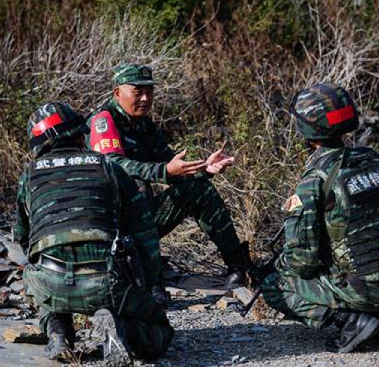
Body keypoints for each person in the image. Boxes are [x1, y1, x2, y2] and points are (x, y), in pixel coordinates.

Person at [261, 83, 379, 353]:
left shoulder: (315, 179)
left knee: (274, 285)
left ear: (307, 129)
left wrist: (278, 263)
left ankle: (352, 321)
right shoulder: (374, 160)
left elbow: (302, 262)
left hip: (362, 290)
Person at [15, 102, 174, 362]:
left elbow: (24, 240)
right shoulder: (108, 166)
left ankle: (58, 331)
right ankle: (121, 329)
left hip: (51, 280)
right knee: (161, 332)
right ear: (81, 133)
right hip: (107, 280)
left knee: (38, 272)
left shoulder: (28, 176)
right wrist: (147, 285)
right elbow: (144, 232)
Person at [86, 63, 255, 287]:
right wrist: (163, 172)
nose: (145, 99)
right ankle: (147, 276)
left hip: (139, 222)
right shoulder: (103, 122)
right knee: (137, 185)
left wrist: (204, 169)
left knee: (199, 190)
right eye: (138, 92)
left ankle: (241, 267)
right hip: (107, 225)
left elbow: (172, 167)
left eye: (149, 92)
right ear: (117, 93)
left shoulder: (145, 125)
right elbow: (113, 165)